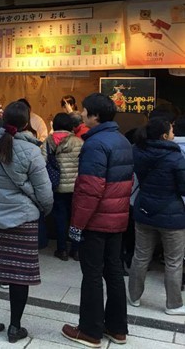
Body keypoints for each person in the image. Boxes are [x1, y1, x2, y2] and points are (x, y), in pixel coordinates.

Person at [0, 102, 53, 343]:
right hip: (21, 220)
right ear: (27, 124)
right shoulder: (32, 152)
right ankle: (15, 327)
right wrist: (43, 210)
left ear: (2, 120)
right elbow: (44, 192)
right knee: (19, 275)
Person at [62, 93, 133, 348]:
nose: (81, 114)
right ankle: (117, 328)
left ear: (95, 116)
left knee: (91, 274)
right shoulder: (122, 140)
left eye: (84, 111)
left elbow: (90, 190)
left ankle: (90, 330)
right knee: (113, 272)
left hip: (96, 220)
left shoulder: (95, 144)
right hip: (117, 219)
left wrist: (77, 225)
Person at [128, 117, 185, 315]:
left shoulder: (137, 151)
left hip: (144, 209)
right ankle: (174, 304)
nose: (173, 133)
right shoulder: (175, 157)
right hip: (172, 215)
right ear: (163, 135)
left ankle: (134, 297)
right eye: (171, 130)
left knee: (140, 256)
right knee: (174, 261)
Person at [41, 113, 84, 261]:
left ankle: (62, 250)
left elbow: (42, 162)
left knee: (60, 218)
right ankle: (76, 249)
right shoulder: (79, 142)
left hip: (57, 186)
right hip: (76, 187)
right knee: (76, 218)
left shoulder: (48, 141)